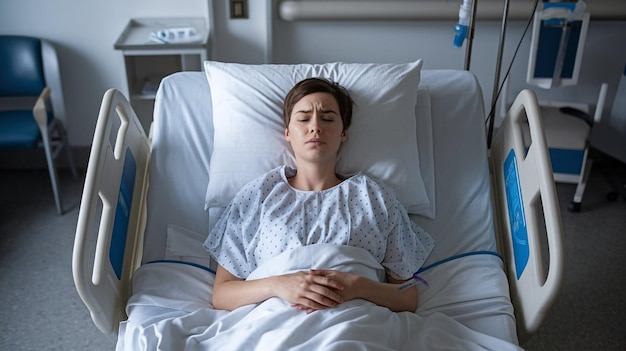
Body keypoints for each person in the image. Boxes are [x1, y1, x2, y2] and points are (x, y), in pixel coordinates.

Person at [204, 77, 434, 314]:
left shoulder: (375, 197)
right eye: (303, 118)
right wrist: (278, 285)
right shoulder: (257, 196)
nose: (315, 126)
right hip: (273, 323)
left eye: (327, 118)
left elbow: (406, 296)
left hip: (356, 323)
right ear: (288, 133)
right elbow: (222, 294)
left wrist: (358, 286)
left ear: (344, 133)